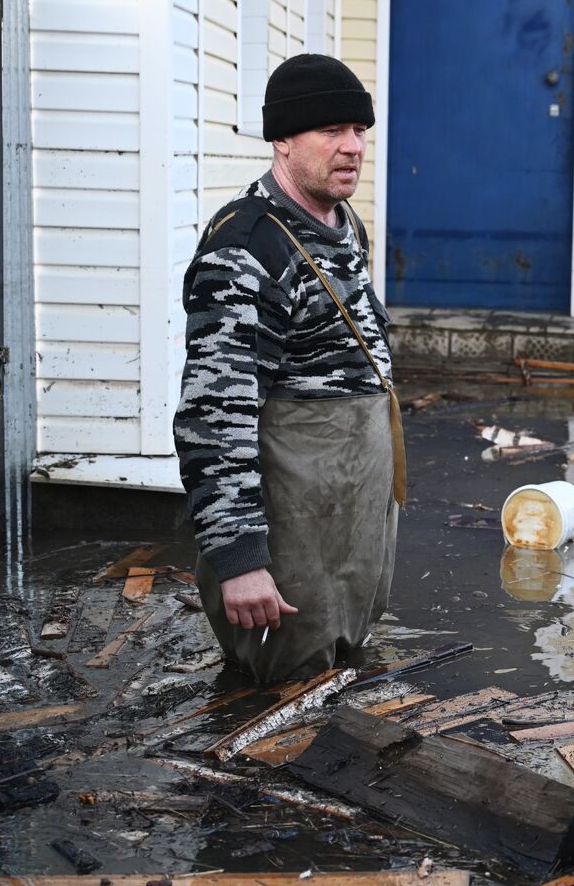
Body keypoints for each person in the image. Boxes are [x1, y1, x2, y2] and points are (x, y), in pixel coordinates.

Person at [173, 53, 407, 683]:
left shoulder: (339, 219)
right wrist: (240, 559)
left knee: (341, 682)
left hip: (348, 515)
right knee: (276, 710)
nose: (353, 147)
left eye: (359, 131)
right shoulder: (248, 248)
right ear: (281, 138)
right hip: (292, 530)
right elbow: (213, 417)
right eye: (331, 131)